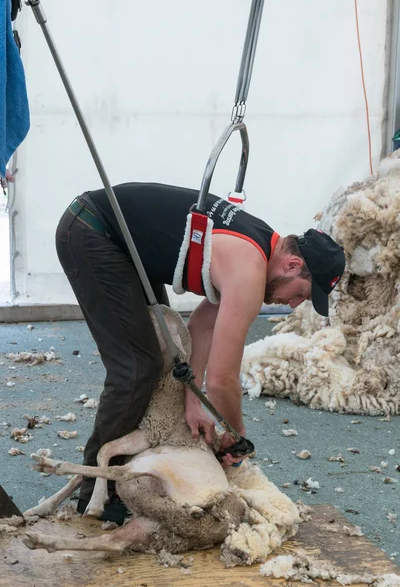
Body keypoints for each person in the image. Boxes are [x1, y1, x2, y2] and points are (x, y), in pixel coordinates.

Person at [55, 182, 345, 523]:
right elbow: (223, 381)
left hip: (118, 239)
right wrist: (237, 439)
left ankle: (136, 476)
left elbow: (202, 328)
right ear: (293, 265)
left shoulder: (260, 247)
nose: (294, 305)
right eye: (302, 294)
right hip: (92, 230)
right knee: (137, 366)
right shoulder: (249, 272)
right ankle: (97, 490)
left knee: (166, 357)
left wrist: (191, 398)